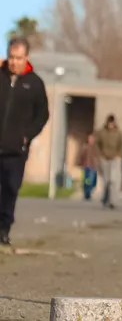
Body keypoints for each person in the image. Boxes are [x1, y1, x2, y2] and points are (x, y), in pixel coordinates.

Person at [0, 38, 49, 246]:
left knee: (10, 189)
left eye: (18, 58)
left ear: (26, 58)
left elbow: (42, 115)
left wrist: (27, 135)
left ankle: (3, 228)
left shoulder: (35, 84)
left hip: (16, 150)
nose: (14, 62)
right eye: (11, 57)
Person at [92, 115, 122, 210]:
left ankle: (113, 201)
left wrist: (119, 155)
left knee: (113, 180)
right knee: (106, 180)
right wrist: (99, 155)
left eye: (112, 122)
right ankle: (106, 198)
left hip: (115, 158)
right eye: (109, 122)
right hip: (104, 158)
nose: (111, 124)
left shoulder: (118, 133)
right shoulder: (102, 132)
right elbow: (96, 144)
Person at [78, 134, 99, 201]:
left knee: (93, 181)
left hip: (93, 166)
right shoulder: (85, 147)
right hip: (87, 166)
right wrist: (80, 164)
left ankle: (88, 192)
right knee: (87, 181)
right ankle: (87, 193)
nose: (91, 140)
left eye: (92, 139)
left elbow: (98, 157)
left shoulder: (96, 148)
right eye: (90, 139)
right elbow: (81, 156)